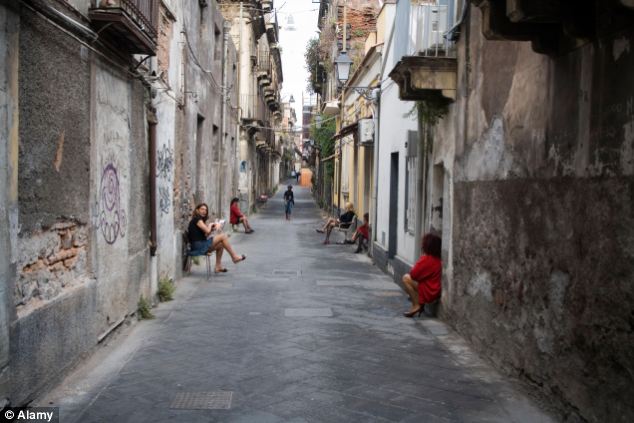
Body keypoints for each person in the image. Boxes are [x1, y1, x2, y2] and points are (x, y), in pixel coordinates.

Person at [187, 203, 246, 273]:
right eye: (202, 209)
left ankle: (218, 266)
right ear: (197, 210)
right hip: (198, 246)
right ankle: (234, 257)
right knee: (223, 236)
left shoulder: (200, 220)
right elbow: (207, 230)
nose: (204, 211)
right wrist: (211, 224)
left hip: (200, 244)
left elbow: (206, 234)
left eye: (205, 210)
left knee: (221, 244)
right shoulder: (197, 219)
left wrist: (212, 229)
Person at [401, 233, 442, 317]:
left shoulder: (427, 259)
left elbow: (413, 274)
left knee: (406, 278)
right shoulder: (437, 259)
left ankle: (416, 305)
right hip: (435, 290)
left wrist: (422, 259)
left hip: (429, 291)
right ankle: (419, 304)